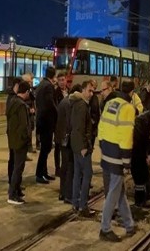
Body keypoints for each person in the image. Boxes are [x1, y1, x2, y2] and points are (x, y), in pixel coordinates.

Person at [99, 81, 137, 243]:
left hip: (106, 151)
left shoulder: (110, 103)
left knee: (119, 191)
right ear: (132, 93)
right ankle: (105, 228)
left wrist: (102, 145)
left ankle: (129, 224)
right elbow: (126, 136)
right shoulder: (128, 108)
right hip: (117, 156)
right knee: (114, 193)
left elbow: (101, 127)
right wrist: (127, 162)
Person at [70, 81, 95, 217]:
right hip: (81, 147)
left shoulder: (77, 104)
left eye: (93, 91)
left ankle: (75, 202)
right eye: (89, 91)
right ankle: (83, 206)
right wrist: (84, 146)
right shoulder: (82, 106)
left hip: (76, 145)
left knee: (77, 175)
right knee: (87, 175)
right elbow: (80, 128)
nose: (91, 94)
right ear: (83, 90)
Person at [56, 84, 83, 204]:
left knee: (65, 166)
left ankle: (63, 192)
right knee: (69, 166)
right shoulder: (69, 104)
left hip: (62, 138)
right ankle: (67, 194)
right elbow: (69, 123)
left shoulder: (64, 101)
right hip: (67, 140)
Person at [6, 81, 32, 205]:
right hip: (20, 141)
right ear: (26, 92)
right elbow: (24, 125)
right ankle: (12, 194)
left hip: (13, 139)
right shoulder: (21, 105)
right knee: (18, 168)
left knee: (15, 165)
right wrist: (26, 138)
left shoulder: (12, 101)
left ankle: (15, 190)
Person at [34, 66, 58, 184]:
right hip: (46, 121)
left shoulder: (41, 84)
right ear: (53, 75)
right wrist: (57, 113)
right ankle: (39, 174)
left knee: (45, 148)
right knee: (46, 148)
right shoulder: (48, 86)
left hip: (41, 120)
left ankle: (43, 173)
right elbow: (50, 103)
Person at [6, 77, 23, 184]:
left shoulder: (15, 97)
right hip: (13, 132)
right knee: (13, 158)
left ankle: (15, 181)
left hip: (14, 132)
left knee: (15, 158)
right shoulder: (12, 98)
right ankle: (12, 181)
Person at [53, 73, 70, 176]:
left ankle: (66, 166)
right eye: (59, 80)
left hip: (68, 123)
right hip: (59, 123)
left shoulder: (70, 91)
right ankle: (57, 168)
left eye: (63, 79)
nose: (62, 82)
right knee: (58, 146)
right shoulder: (56, 93)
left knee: (66, 146)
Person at [22, 73, 38, 153]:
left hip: (31, 113)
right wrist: (29, 109)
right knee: (27, 131)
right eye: (29, 82)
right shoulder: (23, 92)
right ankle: (28, 147)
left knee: (31, 129)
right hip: (27, 113)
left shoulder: (30, 90)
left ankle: (29, 146)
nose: (31, 83)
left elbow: (32, 100)